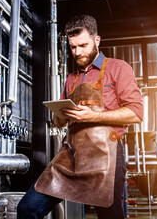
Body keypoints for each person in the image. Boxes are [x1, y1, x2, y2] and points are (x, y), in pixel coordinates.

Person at [17, 15, 143, 219]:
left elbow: (136, 113)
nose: (78, 52)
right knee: (28, 208)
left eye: (83, 45)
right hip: (71, 155)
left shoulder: (118, 69)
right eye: (73, 47)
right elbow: (60, 122)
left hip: (106, 157)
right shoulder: (71, 79)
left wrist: (92, 117)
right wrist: (60, 117)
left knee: (111, 216)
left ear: (97, 40)